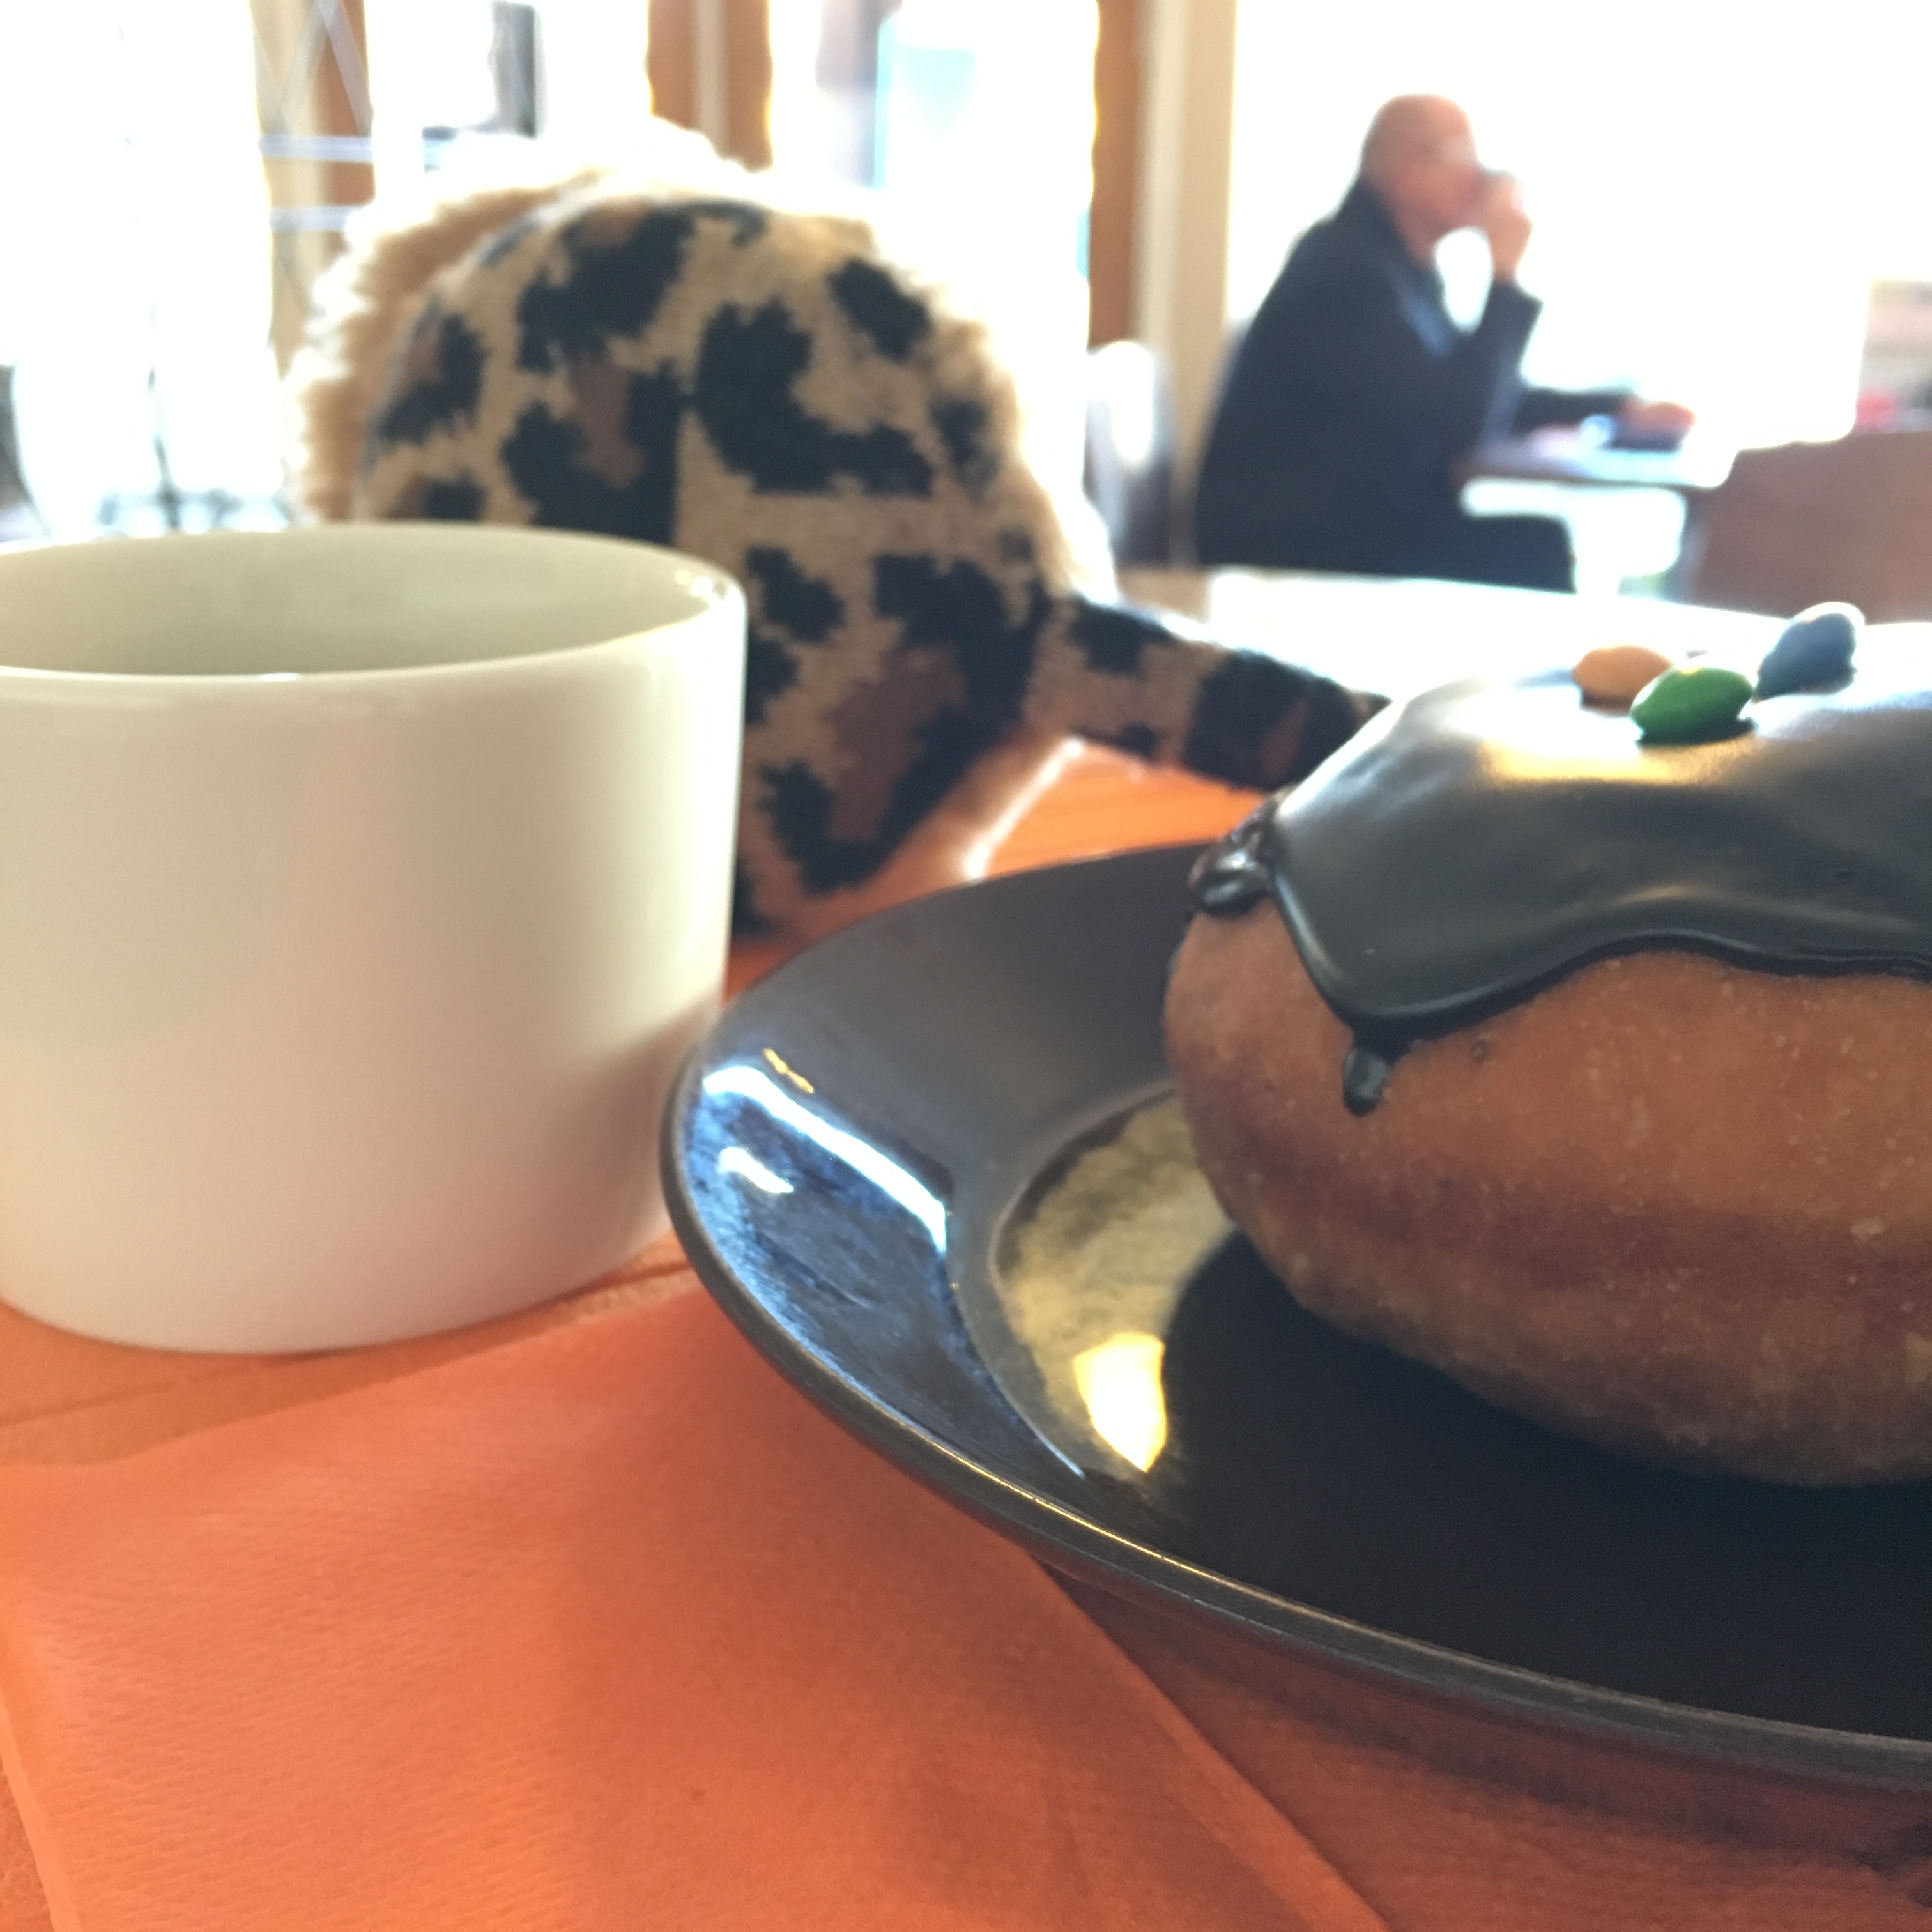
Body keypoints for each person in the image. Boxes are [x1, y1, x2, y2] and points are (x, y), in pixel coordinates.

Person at [1192, 95, 1693, 590]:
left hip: (1355, 527)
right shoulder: (1347, 272)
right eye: (1466, 157)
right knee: (1536, 550)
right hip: (1296, 544)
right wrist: (1505, 276)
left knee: (1538, 543)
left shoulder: (1398, 268)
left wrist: (1617, 408)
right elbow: (1458, 422)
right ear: (1410, 172)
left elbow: (1475, 391)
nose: (1483, 179)